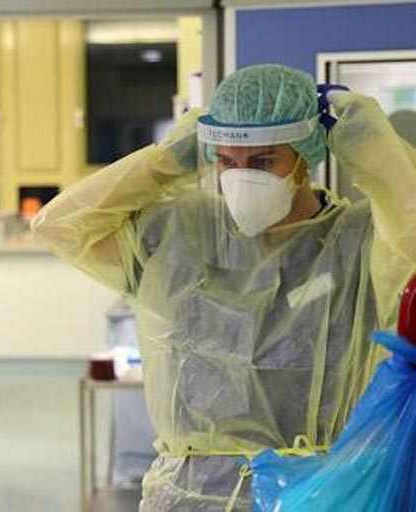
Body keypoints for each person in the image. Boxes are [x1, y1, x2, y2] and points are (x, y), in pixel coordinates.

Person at [31, 63, 416, 511]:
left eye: (263, 162)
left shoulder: (359, 240)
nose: (241, 177)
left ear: (305, 154)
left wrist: (370, 147)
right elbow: (59, 226)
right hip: (185, 496)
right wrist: (166, 160)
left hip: (307, 493)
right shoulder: (179, 232)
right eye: (226, 162)